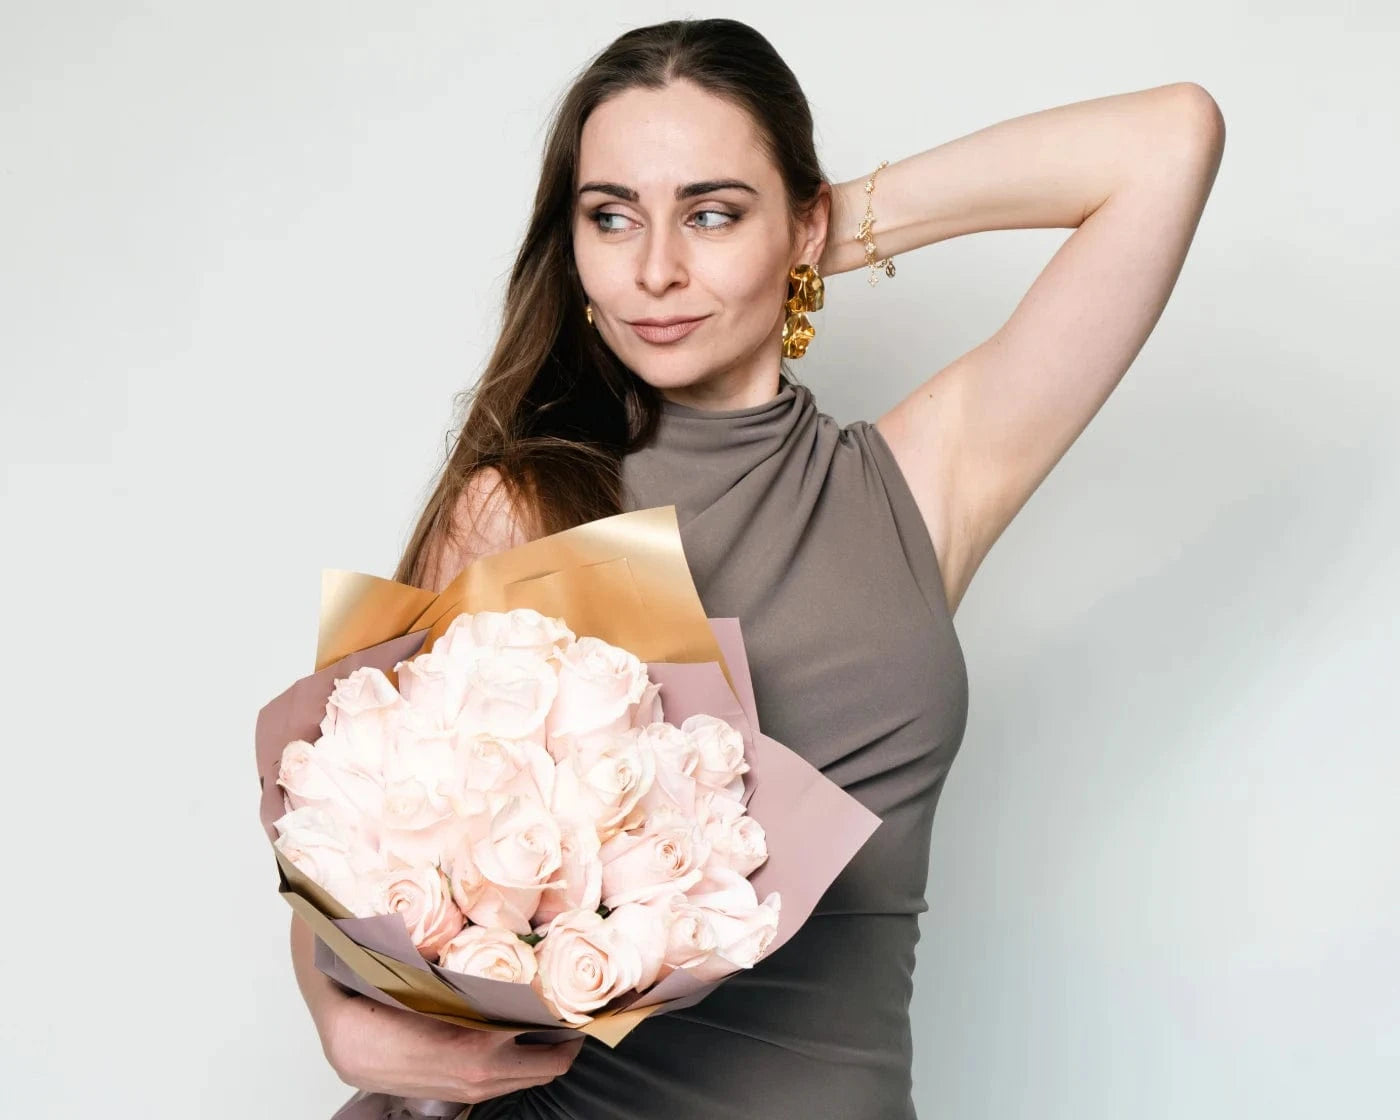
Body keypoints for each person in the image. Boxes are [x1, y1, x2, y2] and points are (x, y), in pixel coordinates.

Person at [289, 16, 1225, 1120]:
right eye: (611, 216)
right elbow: (345, 847)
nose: (653, 269)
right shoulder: (519, 506)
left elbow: (1168, 142)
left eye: (710, 211)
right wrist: (337, 1021)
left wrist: (816, 230)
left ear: (799, 219)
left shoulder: (918, 485)